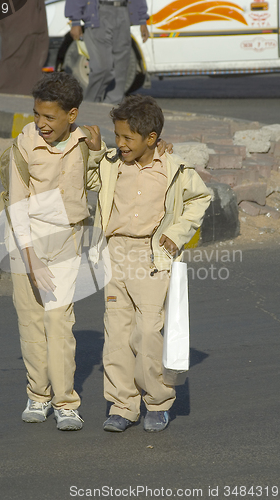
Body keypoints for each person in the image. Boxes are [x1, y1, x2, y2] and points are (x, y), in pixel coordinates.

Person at [87, 95, 211, 432]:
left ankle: (157, 402)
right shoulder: (112, 163)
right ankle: (122, 405)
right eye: (118, 136)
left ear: (151, 139)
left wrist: (177, 231)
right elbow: (88, 179)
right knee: (116, 336)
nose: (121, 143)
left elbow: (201, 197)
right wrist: (97, 151)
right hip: (115, 254)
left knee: (147, 333)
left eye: (128, 138)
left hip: (152, 257)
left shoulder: (173, 168)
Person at [6, 72, 103, 431]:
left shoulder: (84, 142)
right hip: (24, 241)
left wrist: (96, 152)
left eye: (50, 117)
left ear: (71, 115)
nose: (41, 123)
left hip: (66, 239)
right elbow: (17, 205)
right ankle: (38, 395)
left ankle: (65, 402)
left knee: (59, 321)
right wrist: (30, 259)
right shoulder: (25, 143)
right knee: (31, 320)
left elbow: (97, 183)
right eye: (37, 115)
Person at [65, 0, 149, 104]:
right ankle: (89, 105)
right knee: (103, 68)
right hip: (99, 12)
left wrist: (142, 20)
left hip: (123, 11)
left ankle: (112, 108)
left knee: (121, 68)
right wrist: (75, 21)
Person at [0, 0, 49, 95]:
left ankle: (27, 97)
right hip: (17, 14)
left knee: (35, 56)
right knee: (13, 57)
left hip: (37, 13)